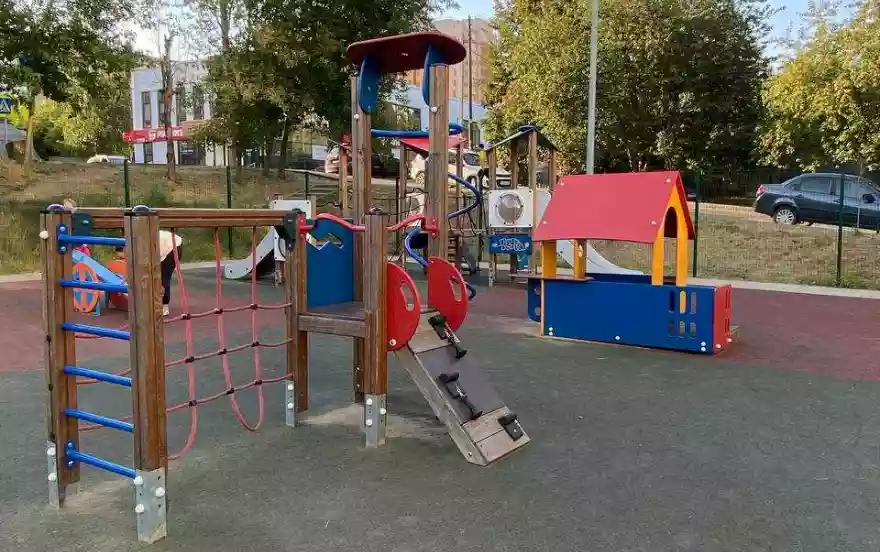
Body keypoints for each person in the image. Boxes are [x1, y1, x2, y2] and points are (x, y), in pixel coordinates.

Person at [158, 229, 184, 317]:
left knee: (164, 276)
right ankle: (159, 303)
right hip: (172, 243)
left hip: (173, 247)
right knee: (160, 276)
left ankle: (164, 307)